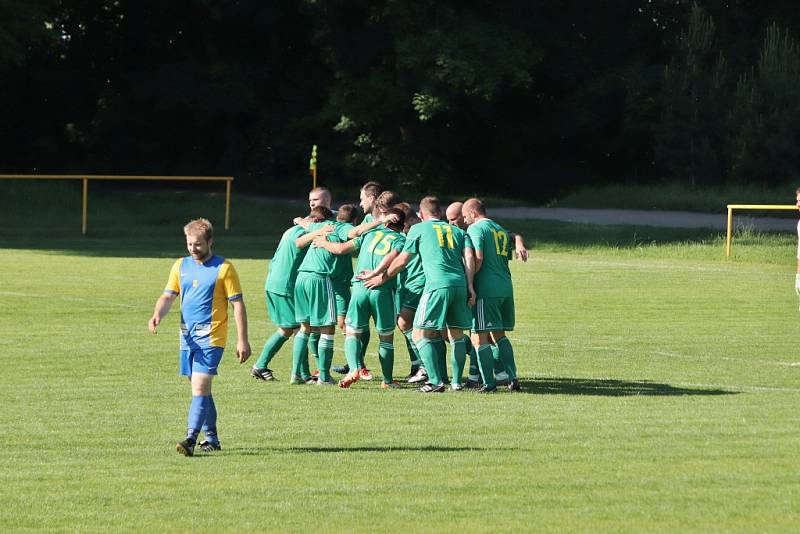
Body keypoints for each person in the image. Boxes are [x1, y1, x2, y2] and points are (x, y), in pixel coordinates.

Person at [148, 218, 251, 456]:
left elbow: (237, 305)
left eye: (197, 244)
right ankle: (212, 439)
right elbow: (168, 296)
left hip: (212, 337)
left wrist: (242, 339)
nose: (193, 249)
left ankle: (190, 439)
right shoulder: (180, 266)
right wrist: (157, 315)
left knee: (200, 386)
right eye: (189, 244)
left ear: (210, 241)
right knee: (200, 390)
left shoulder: (224, 268)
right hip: (187, 337)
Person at [362, 196, 477, 393]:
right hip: (460, 285)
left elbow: (402, 260)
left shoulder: (418, 229)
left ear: (421, 214)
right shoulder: (458, 231)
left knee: (419, 333)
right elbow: (468, 257)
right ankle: (456, 383)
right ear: (439, 213)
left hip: (436, 286)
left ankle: (434, 381)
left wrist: (382, 277)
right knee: (456, 335)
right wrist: (470, 286)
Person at [315, 207, 407, 388]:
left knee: (352, 332)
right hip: (382, 289)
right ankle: (388, 381)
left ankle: (353, 370)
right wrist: (377, 274)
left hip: (359, 287)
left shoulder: (370, 234)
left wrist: (323, 243)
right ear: (402, 225)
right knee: (386, 337)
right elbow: (393, 256)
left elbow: (342, 249)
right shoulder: (401, 239)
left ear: (386, 221)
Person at [462, 198, 521, 392]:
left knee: (479, 337)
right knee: (499, 335)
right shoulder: (500, 229)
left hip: (487, 288)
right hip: (505, 286)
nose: (465, 222)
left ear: (473, 213)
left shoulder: (476, 229)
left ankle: (488, 383)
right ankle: (513, 378)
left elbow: (478, 256)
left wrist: (469, 282)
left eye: (465, 217)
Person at [292, 205, 351, 385]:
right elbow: (354, 233)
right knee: (327, 328)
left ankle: (295, 373)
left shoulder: (317, 227)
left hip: (301, 277)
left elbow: (300, 233)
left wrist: (299, 220)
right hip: (319, 278)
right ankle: (324, 377)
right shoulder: (338, 229)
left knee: (305, 327)